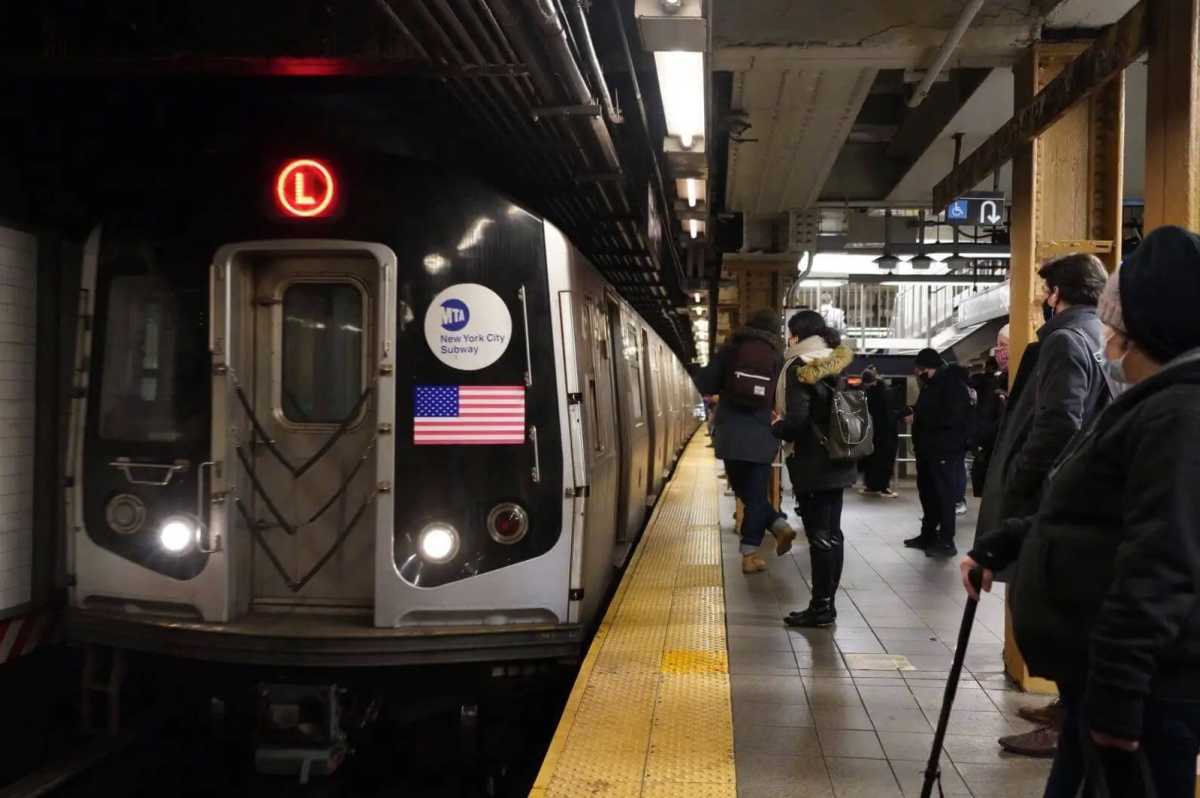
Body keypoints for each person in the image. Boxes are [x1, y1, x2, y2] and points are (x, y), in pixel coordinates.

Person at [962, 225, 1200, 798]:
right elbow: (1099, 511)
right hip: (1105, 679)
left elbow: (1161, 564)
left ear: (1150, 328)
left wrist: (1117, 703)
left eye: (1118, 326)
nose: (1109, 339)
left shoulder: (1180, 415)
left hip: (1145, 693)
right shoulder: (1153, 404)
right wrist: (1012, 539)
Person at [972, 253, 1112, 759]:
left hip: (1054, 495)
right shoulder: (1101, 336)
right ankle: (1065, 710)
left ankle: (1067, 719)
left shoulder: (1064, 340)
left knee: (1056, 605)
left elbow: (1058, 422)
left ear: (1056, 295)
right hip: (1089, 494)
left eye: (1046, 294)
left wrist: (1021, 480)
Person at [770, 310, 856, 627]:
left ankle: (821, 607)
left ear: (795, 336)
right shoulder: (834, 360)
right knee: (833, 533)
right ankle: (826, 603)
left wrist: (777, 426)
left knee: (820, 535)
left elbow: (797, 421)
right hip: (839, 455)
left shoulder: (799, 365)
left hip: (813, 461)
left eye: (789, 334)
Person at [695, 309, 797, 574]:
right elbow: (782, 396)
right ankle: (772, 530)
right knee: (755, 494)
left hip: (731, 433)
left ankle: (762, 541)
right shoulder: (777, 355)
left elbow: (706, 382)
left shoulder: (731, 350)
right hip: (763, 433)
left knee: (747, 493)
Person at [906, 348, 973, 557]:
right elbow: (927, 410)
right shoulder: (932, 385)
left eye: (922, 369)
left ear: (931, 367)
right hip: (928, 450)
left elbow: (952, 417)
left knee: (944, 495)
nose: (919, 373)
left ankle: (946, 541)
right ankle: (928, 535)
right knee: (928, 493)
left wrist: (919, 419)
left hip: (945, 449)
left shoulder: (952, 385)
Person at [968, 356, 1006, 498]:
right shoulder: (999, 383)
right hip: (994, 432)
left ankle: (981, 490)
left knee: (980, 462)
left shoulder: (982, 381)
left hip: (983, 429)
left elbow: (971, 382)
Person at [858, 369, 899, 497]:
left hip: (877, 434)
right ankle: (880, 487)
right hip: (884, 434)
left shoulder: (873, 394)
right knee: (883, 461)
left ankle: (875, 486)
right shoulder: (884, 391)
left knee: (874, 461)